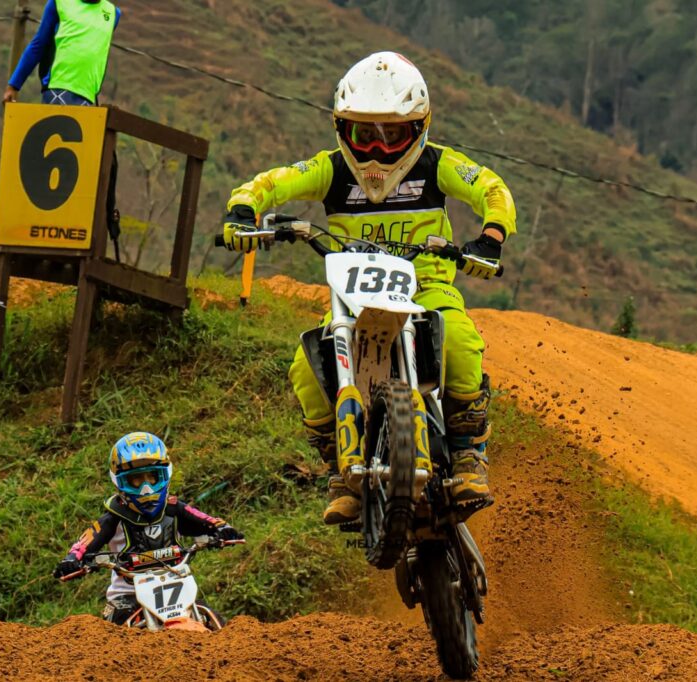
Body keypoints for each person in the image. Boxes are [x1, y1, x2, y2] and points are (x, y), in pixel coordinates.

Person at [222, 52, 517, 525]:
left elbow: (490, 187)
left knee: (459, 341)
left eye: (392, 136)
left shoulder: (438, 164)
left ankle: (468, 453)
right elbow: (272, 183)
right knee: (306, 368)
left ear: (418, 129)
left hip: (425, 287)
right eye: (365, 135)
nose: (377, 151)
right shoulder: (331, 169)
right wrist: (243, 208)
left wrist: (491, 236)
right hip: (352, 298)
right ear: (342, 129)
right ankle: (341, 473)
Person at [52, 432, 244, 625]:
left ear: (164, 475)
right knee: (116, 623)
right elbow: (86, 541)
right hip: (128, 594)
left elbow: (207, 520)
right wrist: (72, 559)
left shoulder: (173, 508)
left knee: (210, 617)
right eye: (136, 480)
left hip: (176, 584)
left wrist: (223, 529)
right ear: (120, 481)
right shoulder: (113, 517)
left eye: (152, 477)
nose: (146, 488)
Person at [2, 0, 122, 253]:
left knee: (84, 169)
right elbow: (39, 44)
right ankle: (38, 234)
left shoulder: (112, 14)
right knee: (52, 158)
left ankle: (75, 237)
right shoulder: (60, 3)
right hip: (58, 89)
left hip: (88, 99)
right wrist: (14, 84)